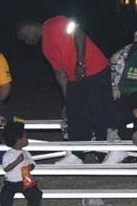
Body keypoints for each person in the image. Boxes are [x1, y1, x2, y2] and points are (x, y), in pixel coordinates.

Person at [17, 17, 113, 158]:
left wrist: (80, 63)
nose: (27, 42)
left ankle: (103, 153)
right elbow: (60, 74)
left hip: (96, 70)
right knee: (74, 116)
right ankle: (76, 155)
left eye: (25, 37)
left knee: (99, 113)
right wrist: (67, 101)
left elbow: (79, 33)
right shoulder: (46, 48)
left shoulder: (54, 23)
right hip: (75, 79)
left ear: (30, 29)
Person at [0, 119, 42, 206]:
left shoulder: (26, 153)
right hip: (11, 181)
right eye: (25, 137)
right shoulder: (8, 154)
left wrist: (30, 167)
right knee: (4, 197)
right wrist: (17, 162)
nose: (27, 139)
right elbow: (6, 168)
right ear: (18, 141)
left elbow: (32, 163)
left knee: (35, 194)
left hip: (25, 179)